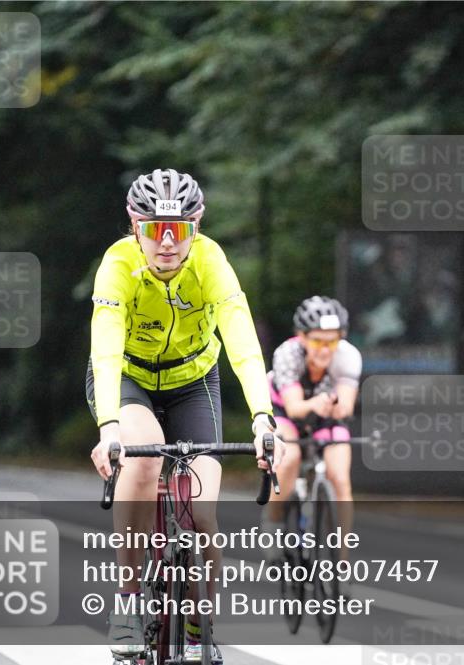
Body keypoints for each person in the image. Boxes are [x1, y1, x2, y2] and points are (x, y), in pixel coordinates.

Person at [87, 168, 284, 662]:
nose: (168, 243)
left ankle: (200, 624)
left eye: (181, 230)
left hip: (193, 381)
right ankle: (129, 601)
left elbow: (240, 339)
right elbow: (106, 347)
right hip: (128, 379)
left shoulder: (211, 261)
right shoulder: (117, 264)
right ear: (135, 227)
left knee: (202, 512)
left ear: (197, 227)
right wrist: (109, 426)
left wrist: (263, 417)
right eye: (155, 229)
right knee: (145, 460)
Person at [262, 296, 361, 591]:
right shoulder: (287, 354)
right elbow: (294, 408)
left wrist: (335, 406)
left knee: (340, 478)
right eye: (317, 342)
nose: (325, 350)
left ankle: (341, 566)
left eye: (332, 342)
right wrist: (316, 402)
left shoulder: (348, 355)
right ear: (302, 337)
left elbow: (345, 408)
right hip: (286, 410)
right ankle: (273, 520)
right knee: (289, 456)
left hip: (325, 416)